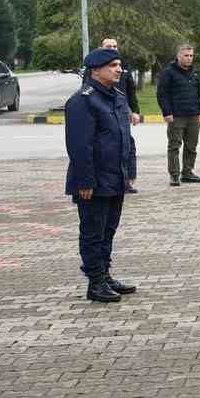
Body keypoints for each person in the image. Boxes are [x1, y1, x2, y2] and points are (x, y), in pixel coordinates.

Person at [64, 47, 137, 304]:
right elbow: (79, 146)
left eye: (119, 65)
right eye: (113, 65)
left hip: (115, 177)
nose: (119, 69)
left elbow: (126, 138)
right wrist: (85, 180)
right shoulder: (83, 101)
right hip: (93, 181)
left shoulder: (116, 97)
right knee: (93, 231)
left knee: (108, 229)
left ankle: (105, 275)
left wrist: (129, 172)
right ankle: (95, 282)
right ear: (96, 70)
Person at [157, 44, 200, 186]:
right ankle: (174, 175)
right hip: (176, 116)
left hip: (193, 115)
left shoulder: (193, 73)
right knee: (174, 146)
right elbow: (162, 94)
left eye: (191, 56)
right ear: (178, 56)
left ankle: (188, 172)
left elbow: (198, 94)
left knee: (191, 146)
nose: (189, 58)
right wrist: (167, 112)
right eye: (186, 55)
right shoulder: (168, 73)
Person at [99, 37, 142, 193]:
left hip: (122, 110)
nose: (112, 48)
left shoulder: (122, 66)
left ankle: (127, 180)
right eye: (108, 46)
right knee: (109, 147)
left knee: (127, 145)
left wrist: (135, 111)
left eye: (114, 46)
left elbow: (131, 91)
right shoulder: (96, 67)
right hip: (103, 111)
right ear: (101, 48)